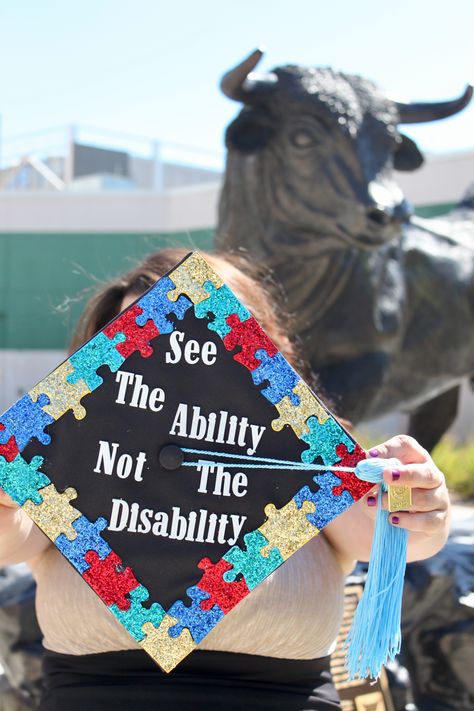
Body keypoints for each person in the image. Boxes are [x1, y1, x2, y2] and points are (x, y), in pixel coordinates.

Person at [0, 248, 451, 711]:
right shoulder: (64, 461)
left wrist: (418, 505)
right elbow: (9, 535)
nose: (167, 358)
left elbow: (387, 532)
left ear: (260, 348)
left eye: (198, 337)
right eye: (138, 340)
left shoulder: (302, 458)